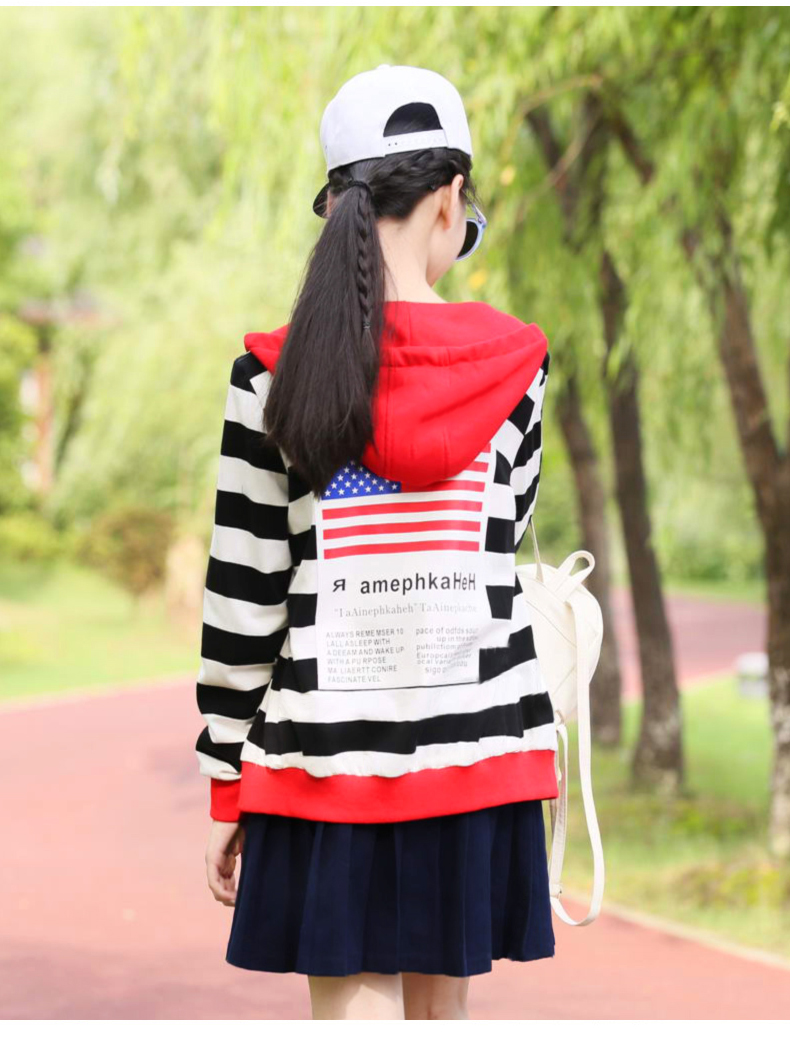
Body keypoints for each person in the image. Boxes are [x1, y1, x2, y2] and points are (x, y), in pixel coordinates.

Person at [195, 63, 558, 1020]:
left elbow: (245, 596)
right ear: (450, 200)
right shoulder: (518, 369)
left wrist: (229, 782)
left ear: (336, 210)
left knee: (348, 1023)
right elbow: (506, 541)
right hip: (476, 752)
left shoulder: (268, 377)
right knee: (442, 1022)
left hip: (323, 765)